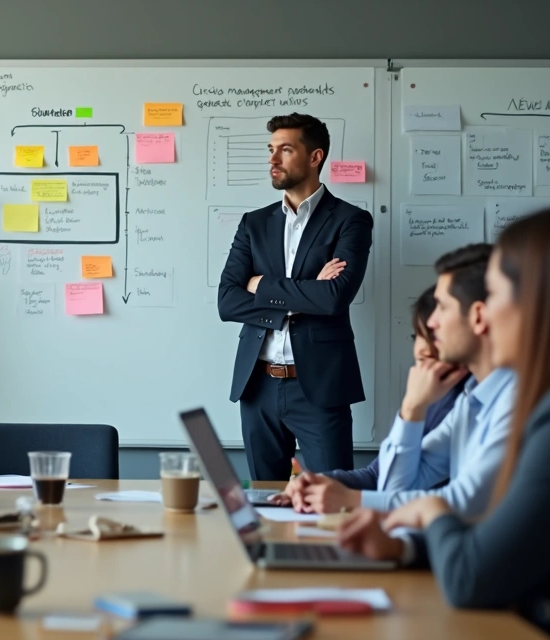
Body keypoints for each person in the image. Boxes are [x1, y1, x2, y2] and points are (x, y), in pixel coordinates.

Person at [339, 208, 550, 640]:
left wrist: (432, 510)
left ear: (538, 302)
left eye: (492, 295)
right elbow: (495, 541)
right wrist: (404, 547)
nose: (484, 318)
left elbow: (470, 577)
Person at [284, 244, 514, 519]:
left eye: (441, 307)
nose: (432, 324)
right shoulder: (472, 397)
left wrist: (353, 499)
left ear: (478, 316)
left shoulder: (519, 400)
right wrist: (411, 410)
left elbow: (465, 502)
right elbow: (392, 486)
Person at [217, 113, 374, 480]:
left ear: (315, 156)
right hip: (258, 386)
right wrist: (304, 295)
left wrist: (262, 285)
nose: (272, 160)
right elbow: (227, 301)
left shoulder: (351, 220)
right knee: (264, 499)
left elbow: (334, 297)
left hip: (318, 387)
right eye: (271, 150)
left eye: (285, 150)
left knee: (332, 501)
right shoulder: (253, 224)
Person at [272, 286, 467, 503]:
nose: (421, 349)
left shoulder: (472, 404)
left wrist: (350, 498)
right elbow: (378, 475)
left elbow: (451, 502)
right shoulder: (438, 397)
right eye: (418, 335)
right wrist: (317, 482)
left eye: (433, 335)